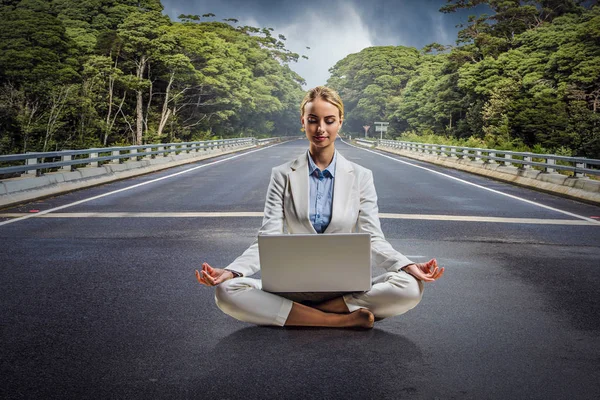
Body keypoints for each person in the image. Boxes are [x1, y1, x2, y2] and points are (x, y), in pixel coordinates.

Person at [195, 86, 444, 329]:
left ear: (340, 123)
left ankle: (307, 315)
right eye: (313, 120)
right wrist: (231, 271)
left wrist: (406, 265)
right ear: (303, 121)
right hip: (292, 287)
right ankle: (335, 319)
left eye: (329, 120)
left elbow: (374, 240)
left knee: (410, 287)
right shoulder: (282, 175)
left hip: (345, 289)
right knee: (226, 291)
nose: (321, 129)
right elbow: (268, 238)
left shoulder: (361, 176)